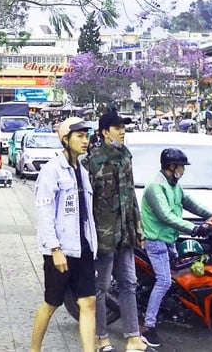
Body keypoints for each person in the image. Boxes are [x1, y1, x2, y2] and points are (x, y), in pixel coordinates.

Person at [30, 118, 97, 352]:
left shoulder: (83, 171)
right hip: (61, 250)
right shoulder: (52, 170)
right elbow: (44, 211)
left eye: (86, 136)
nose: (85, 140)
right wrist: (55, 249)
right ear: (65, 139)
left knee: (88, 302)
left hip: (84, 248)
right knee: (52, 303)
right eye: (79, 136)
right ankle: (34, 349)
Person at [140, 147, 212, 348]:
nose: (183, 170)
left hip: (168, 240)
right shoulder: (155, 188)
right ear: (171, 167)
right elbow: (166, 216)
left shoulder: (174, 185)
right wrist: (195, 228)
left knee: (179, 276)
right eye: (181, 167)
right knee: (164, 281)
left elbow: (190, 203)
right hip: (156, 241)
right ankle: (148, 327)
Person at [83, 111, 146, 352]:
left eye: (124, 127)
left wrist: (138, 228)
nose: (122, 131)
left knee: (129, 283)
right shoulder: (93, 161)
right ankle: (101, 338)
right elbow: (86, 203)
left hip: (126, 235)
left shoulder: (125, 157)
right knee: (101, 288)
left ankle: (133, 337)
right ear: (104, 132)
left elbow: (131, 196)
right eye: (117, 127)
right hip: (103, 236)